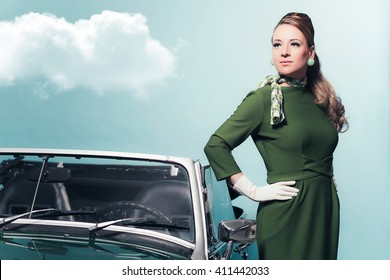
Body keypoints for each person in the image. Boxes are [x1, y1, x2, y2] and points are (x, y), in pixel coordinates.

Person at [204, 12, 348, 260]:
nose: (284, 52)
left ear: (310, 52)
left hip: (324, 209)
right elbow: (216, 145)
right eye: (277, 44)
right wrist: (253, 191)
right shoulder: (264, 99)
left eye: (294, 44)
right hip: (286, 212)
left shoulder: (321, 99)